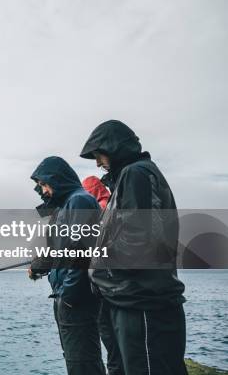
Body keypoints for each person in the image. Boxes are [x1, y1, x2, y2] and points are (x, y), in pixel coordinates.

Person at [80, 120, 187, 375]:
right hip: (133, 301)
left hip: (143, 305)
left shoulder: (137, 173)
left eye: (99, 154)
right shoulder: (131, 177)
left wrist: (98, 268)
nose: (97, 163)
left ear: (113, 147)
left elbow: (137, 243)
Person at [28, 156, 105, 375]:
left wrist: (70, 295)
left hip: (75, 299)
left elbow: (81, 252)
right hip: (65, 296)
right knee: (75, 359)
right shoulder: (65, 206)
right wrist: (38, 267)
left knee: (83, 362)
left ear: (57, 179)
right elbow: (60, 250)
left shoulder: (79, 201)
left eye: (44, 184)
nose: (43, 190)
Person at [82, 175, 124, 375]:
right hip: (114, 286)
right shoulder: (112, 203)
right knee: (118, 347)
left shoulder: (100, 209)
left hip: (106, 288)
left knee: (113, 347)